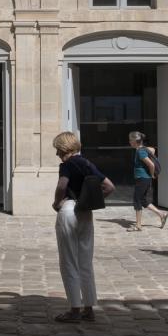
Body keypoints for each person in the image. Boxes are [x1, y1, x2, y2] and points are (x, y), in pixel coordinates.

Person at [51, 132, 114, 323]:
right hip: (86, 212)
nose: (56, 154)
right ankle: (89, 308)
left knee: (68, 261)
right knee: (85, 261)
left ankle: (74, 309)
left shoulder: (67, 165)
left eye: (57, 150)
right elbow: (109, 186)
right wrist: (91, 200)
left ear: (64, 149)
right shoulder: (87, 164)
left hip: (69, 209)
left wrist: (56, 202)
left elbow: (63, 185)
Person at [128, 131, 168, 231]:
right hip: (144, 179)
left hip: (142, 179)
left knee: (137, 200)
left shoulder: (140, 151)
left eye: (130, 140)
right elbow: (153, 150)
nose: (129, 142)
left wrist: (152, 174)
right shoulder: (144, 149)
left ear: (135, 141)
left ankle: (138, 225)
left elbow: (151, 165)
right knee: (143, 200)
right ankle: (162, 214)